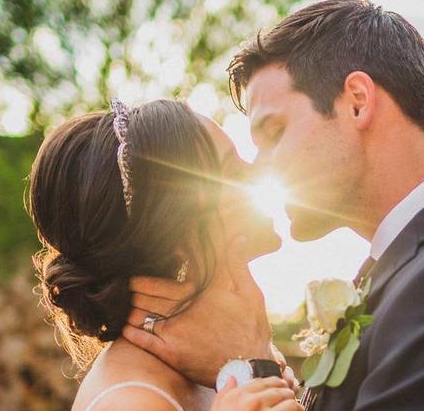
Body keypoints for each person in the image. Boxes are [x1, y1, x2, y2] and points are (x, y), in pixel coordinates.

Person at [125, 0, 424, 410]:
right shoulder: (422, 264)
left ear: (357, 103)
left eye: (274, 133)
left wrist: (247, 359)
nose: (260, 168)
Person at [28, 99, 302, 411]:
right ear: (175, 226)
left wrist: (258, 361)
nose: (257, 170)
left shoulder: (213, 361)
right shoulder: (131, 402)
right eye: (230, 169)